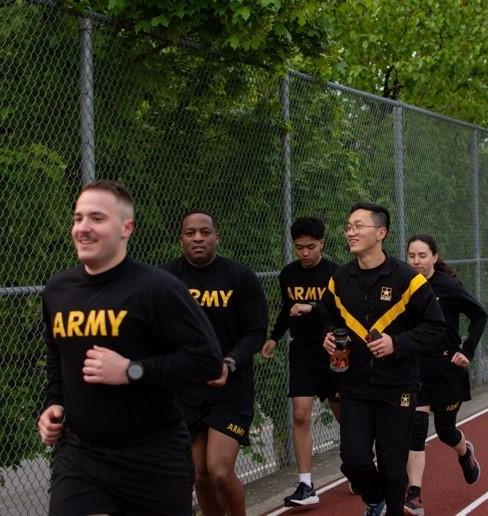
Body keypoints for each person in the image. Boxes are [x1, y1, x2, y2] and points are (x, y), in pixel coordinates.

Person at [38, 180, 222, 516]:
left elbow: (207, 360)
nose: (83, 228)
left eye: (96, 218)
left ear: (127, 228)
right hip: (81, 456)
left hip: (153, 458)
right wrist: (54, 403)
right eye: (78, 218)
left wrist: (131, 371)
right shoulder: (58, 291)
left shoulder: (158, 289)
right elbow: (57, 358)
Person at [320, 202, 445, 516]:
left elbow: (435, 328)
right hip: (355, 385)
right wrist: (328, 335)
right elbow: (326, 316)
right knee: (353, 460)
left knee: (392, 466)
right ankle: (375, 500)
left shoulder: (408, 279)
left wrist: (396, 343)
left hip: (398, 386)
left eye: (358, 226)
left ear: (381, 233)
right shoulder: (339, 279)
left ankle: (391, 508)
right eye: (348, 227)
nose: (350, 232)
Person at [164, 209, 268, 516]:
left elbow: (256, 332)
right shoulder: (166, 279)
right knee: (200, 473)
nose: (198, 238)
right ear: (181, 239)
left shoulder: (240, 277)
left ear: (216, 237)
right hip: (188, 391)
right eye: (190, 233)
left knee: (220, 470)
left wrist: (230, 362)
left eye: (205, 232)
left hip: (230, 388)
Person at [403, 234, 488, 515]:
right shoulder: (403, 285)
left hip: (447, 368)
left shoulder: (448, 286)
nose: (416, 261)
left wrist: (467, 349)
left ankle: (465, 452)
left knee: (445, 431)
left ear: (434, 257)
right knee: (416, 431)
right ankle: (414, 496)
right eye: (411, 256)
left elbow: (479, 315)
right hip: (417, 367)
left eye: (422, 255)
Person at [260, 217, 340, 507]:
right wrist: (274, 337)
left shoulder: (336, 274)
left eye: (311, 247)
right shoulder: (288, 274)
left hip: (332, 349)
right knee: (300, 415)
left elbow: (341, 312)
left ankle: (358, 459)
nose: (305, 253)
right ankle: (306, 485)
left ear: (322, 244)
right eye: (299, 247)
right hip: (302, 351)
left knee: (342, 411)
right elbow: (287, 309)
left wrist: (312, 307)